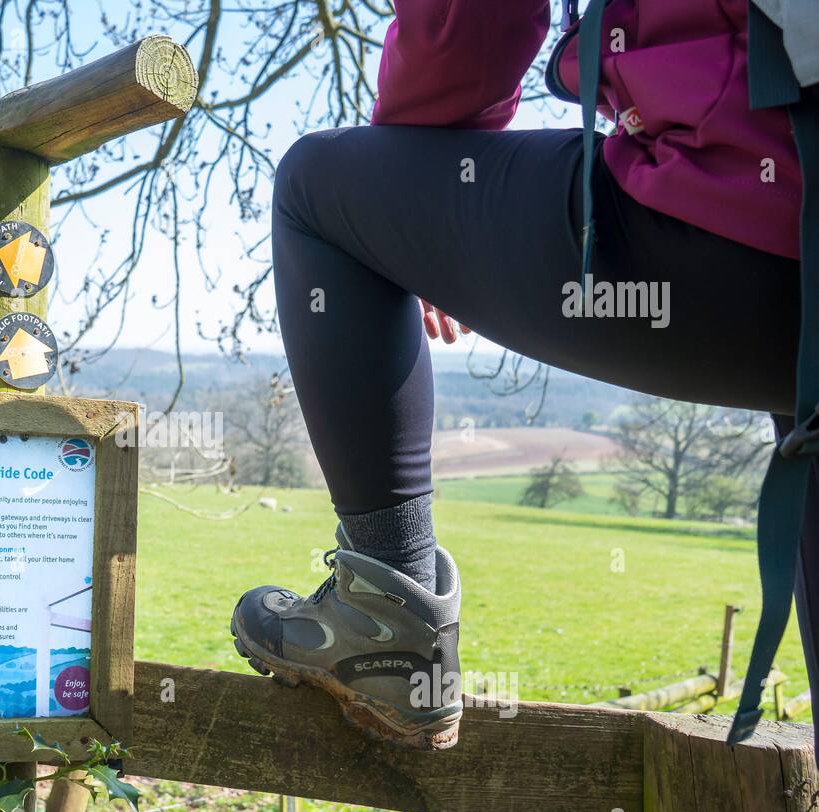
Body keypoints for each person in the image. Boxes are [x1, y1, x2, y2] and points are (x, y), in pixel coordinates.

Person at [229, 0, 808, 750]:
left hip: (745, 217)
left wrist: (414, 222)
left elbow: (467, 25)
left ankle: (389, 624)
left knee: (318, 189)